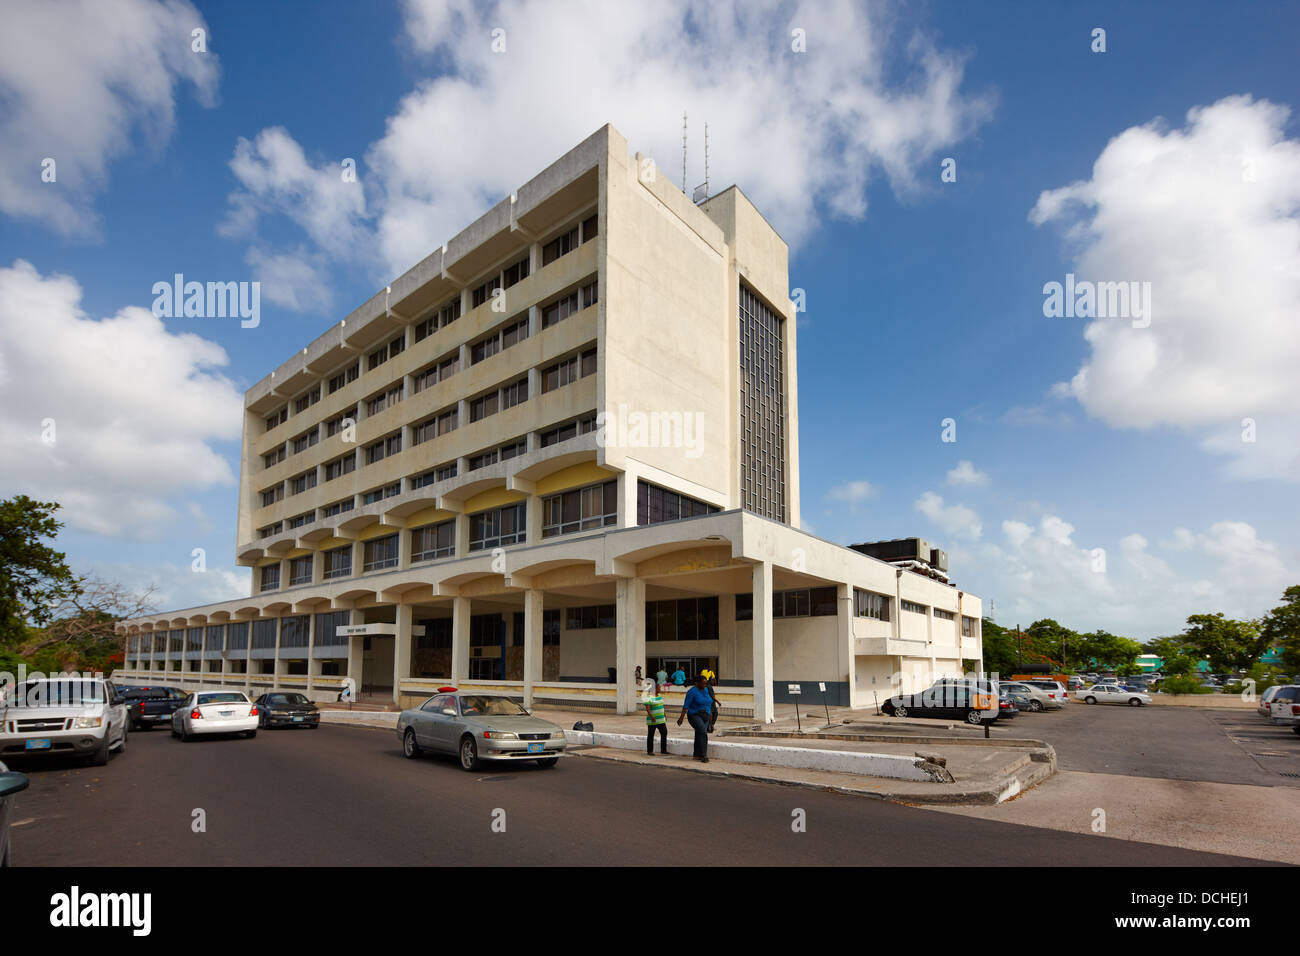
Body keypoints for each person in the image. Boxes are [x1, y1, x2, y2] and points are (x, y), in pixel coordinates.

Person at [676, 674, 713, 762]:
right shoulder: (691, 692)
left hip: (706, 715)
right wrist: (681, 718)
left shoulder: (706, 690)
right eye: (703, 684)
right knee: (703, 732)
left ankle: (696, 754)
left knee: (699, 733)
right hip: (694, 715)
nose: (705, 685)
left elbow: (708, 702)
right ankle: (704, 755)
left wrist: (710, 717)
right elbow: (686, 706)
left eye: (706, 683)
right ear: (697, 683)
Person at [644, 685, 668, 755]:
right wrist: (652, 717)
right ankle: (650, 751)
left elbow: (662, 706)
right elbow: (648, 709)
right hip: (653, 720)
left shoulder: (660, 696)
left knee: (664, 733)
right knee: (651, 735)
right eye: (658, 688)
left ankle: (663, 750)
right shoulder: (649, 698)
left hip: (661, 719)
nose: (660, 689)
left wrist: (664, 715)